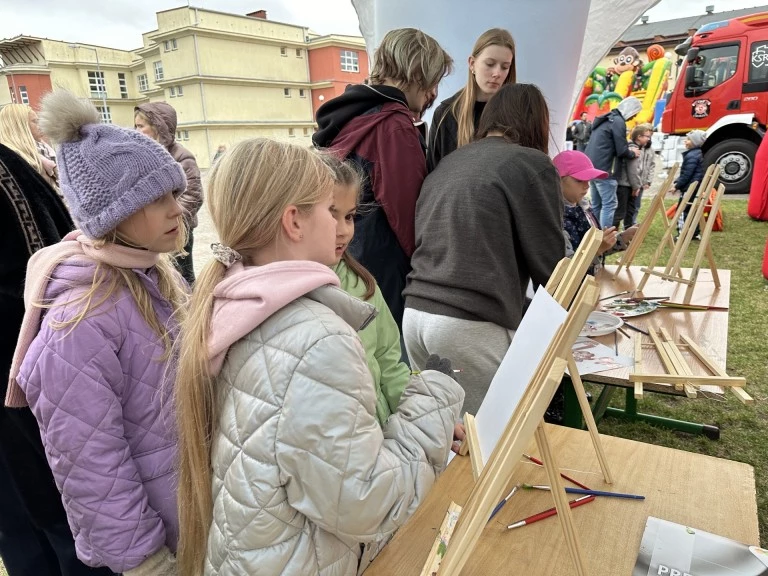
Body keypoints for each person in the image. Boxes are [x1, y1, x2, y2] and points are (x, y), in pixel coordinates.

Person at [173, 139, 464, 576]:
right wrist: (434, 402)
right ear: (294, 221)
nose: (344, 227)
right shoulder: (316, 340)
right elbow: (368, 502)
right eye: (332, 211)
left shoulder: (237, 304)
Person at [9, 90, 188, 575]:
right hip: (156, 538)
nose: (177, 209)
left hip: (190, 512)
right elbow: (89, 464)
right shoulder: (80, 322)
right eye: (156, 199)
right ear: (113, 212)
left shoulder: (155, 278)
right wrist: (145, 560)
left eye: (174, 193)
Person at [402, 83, 565, 417]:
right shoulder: (530, 163)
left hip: (416, 314)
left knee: (441, 432)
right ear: (537, 123)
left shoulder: (450, 162)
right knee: (487, 440)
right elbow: (551, 267)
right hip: (467, 326)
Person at [0, 142, 113, 576]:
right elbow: (38, 272)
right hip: (22, 366)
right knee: (55, 509)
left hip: (25, 363)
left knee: (26, 512)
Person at [312, 28, 453, 330]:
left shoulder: (352, 114)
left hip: (348, 260)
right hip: (384, 272)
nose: (433, 94)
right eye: (433, 82)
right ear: (417, 73)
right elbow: (410, 215)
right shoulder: (393, 125)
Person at [427, 28, 515, 172]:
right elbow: (432, 173)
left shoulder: (516, 115)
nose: (497, 73)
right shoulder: (446, 113)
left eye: (505, 67)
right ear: (472, 63)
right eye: (490, 64)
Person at [135, 102, 203, 285]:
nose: (136, 131)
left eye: (141, 126)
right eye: (135, 126)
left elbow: (194, 195)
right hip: (155, 230)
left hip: (179, 230)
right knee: (162, 277)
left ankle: (191, 310)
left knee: (183, 275)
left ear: (158, 127)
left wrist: (174, 221)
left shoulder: (181, 156)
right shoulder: (145, 155)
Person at [554, 150, 637, 275]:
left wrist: (621, 238)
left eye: (588, 180)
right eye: (579, 180)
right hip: (569, 292)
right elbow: (567, 269)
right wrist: (597, 250)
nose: (587, 186)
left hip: (591, 283)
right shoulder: (555, 218)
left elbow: (597, 247)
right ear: (557, 180)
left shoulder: (584, 207)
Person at [585, 96, 642, 228]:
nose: (632, 118)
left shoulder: (606, 119)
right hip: (606, 170)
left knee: (597, 204)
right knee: (609, 204)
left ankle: (596, 236)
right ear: (630, 110)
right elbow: (621, 150)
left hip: (592, 168)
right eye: (634, 114)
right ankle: (605, 238)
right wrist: (633, 152)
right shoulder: (618, 121)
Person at [0, 104, 58, 189]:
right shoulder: (14, 159)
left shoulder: (44, 150)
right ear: (19, 125)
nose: (40, 126)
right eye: (35, 121)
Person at [615, 123, 654, 230]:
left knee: (630, 211)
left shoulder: (639, 148)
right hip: (625, 186)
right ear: (639, 137)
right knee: (620, 213)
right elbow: (633, 170)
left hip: (629, 185)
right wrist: (636, 186)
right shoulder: (633, 149)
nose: (648, 139)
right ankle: (612, 237)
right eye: (647, 136)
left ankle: (626, 232)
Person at [674, 129, 706, 240]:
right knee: (693, 210)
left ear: (695, 142)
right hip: (696, 188)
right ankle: (694, 232)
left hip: (689, 188)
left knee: (682, 210)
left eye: (688, 140)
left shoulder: (691, 156)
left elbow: (687, 174)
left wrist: (677, 185)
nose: (685, 141)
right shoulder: (698, 154)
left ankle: (682, 233)